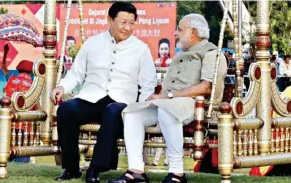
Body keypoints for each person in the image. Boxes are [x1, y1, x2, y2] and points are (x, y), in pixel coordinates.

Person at [109, 13, 227, 183]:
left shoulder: (212, 53)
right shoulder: (180, 54)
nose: (175, 33)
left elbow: (206, 87)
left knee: (167, 110)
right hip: (169, 103)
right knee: (132, 113)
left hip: (197, 105)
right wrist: (157, 97)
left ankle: (177, 173)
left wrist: (168, 96)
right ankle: (136, 172)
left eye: (179, 29)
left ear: (193, 32)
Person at [50, 2, 156, 182]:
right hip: (91, 97)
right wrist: (61, 87)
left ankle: (95, 168)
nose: (127, 27)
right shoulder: (92, 43)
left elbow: (148, 84)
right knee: (66, 109)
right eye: (123, 22)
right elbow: (76, 74)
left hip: (121, 103)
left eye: (131, 23)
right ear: (110, 20)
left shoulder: (141, 49)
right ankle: (71, 168)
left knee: (113, 111)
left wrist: (141, 108)